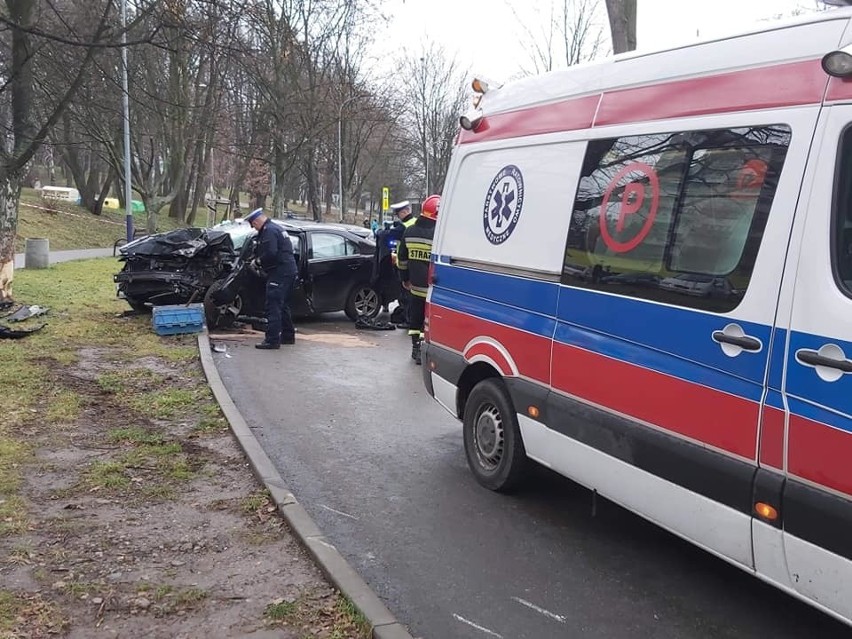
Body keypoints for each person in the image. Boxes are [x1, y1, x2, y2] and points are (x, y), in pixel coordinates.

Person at [245, 207, 298, 350]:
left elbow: (271, 253)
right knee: (283, 305)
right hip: (289, 271)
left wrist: (258, 262)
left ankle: (272, 340)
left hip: (279, 273)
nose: (253, 227)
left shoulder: (269, 231)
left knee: (273, 305)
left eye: (253, 224)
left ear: (257, 220)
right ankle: (288, 335)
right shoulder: (275, 228)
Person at [397, 194, 440, 364]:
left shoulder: (409, 231)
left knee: (415, 320)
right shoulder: (438, 236)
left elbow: (402, 260)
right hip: (433, 290)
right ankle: (426, 350)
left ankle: (415, 349)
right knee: (429, 322)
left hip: (415, 288)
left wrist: (404, 279)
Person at [388, 200, 417, 327]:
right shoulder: (415, 222)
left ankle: (407, 320)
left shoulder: (404, 226)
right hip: (415, 264)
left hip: (406, 265)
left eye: (398, 214)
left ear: (405, 212)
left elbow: (390, 236)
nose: (398, 216)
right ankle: (408, 318)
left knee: (406, 295)